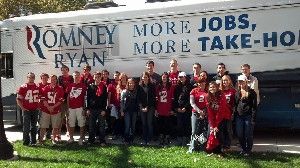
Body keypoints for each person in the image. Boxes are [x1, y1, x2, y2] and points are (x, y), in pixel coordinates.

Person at [235, 75, 257, 156]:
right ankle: (244, 149)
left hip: (248, 116)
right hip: (239, 117)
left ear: (246, 82)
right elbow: (235, 105)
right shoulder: (237, 92)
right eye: (239, 81)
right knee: (240, 134)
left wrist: (253, 118)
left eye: (242, 81)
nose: (240, 83)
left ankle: (248, 150)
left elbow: (254, 106)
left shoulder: (252, 92)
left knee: (248, 134)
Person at [39, 75, 64, 144]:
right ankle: (41, 140)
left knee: (55, 127)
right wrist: (48, 107)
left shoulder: (60, 88)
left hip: (56, 110)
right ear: (50, 80)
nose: (53, 81)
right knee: (43, 126)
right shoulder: (46, 88)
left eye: (54, 79)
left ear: (56, 80)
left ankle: (53, 139)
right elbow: (43, 99)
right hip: (46, 110)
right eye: (52, 79)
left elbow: (61, 100)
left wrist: (53, 107)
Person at [16, 72, 40, 146]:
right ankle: (26, 142)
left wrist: (39, 106)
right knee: (26, 127)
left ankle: (33, 142)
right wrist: (22, 108)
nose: (31, 78)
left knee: (34, 127)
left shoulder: (37, 86)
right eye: (29, 77)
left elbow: (41, 97)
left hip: (35, 110)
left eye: (32, 77)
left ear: (34, 78)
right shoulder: (23, 87)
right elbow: (18, 99)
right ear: (27, 78)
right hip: (26, 110)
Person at [206, 81, 227, 156]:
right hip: (212, 119)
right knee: (210, 133)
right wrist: (212, 125)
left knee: (219, 134)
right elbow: (210, 112)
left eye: (214, 87)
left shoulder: (222, 95)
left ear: (217, 87)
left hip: (220, 118)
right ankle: (212, 151)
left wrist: (216, 125)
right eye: (211, 87)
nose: (212, 88)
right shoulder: (207, 96)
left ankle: (220, 152)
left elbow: (221, 111)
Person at [86, 72, 108, 146]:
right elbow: (88, 99)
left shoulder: (104, 87)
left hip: (101, 110)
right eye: (96, 77)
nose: (97, 78)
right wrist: (88, 109)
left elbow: (105, 99)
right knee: (91, 126)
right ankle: (91, 140)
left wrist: (104, 110)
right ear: (94, 78)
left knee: (102, 126)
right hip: (92, 109)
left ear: (100, 77)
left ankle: (102, 141)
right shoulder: (90, 87)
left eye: (99, 77)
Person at [187, 79, 208, 153]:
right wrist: (199, 111)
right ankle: (192, 148)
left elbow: (208, 104)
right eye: (200, 83)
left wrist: (204, 112)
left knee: (203, 131)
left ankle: (201, 147)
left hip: (204, 113)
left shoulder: (207, 92)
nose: (201, 84)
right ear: (197, 84)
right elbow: (192, 103)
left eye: (203, 83)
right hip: (195, 113)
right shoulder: (193, 91)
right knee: (194, 131)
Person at [67, 71, 87, 145]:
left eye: (78, 76)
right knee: (71, 123)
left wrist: (84, 108)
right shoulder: (70, 85)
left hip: (80, 108)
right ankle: (71, 138)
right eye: (75, 76)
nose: (76, 77)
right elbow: (68, 97)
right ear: (73, 77)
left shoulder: (83, 86)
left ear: (80, 77)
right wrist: (68, 108)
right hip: (71, 108)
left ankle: (81, 138)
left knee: (82, 123)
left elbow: (85, 98)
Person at [173, 71, 193, 146]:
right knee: (179, 124)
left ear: (185, 77)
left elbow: (190, 99)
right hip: (178, 109)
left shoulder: (190, 86)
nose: (181, 78)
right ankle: (179, 139)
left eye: (182, 77)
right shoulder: (177, 87)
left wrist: (185, 107)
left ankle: (185, 139)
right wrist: (176, 108)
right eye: (179, 77)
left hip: (186, 109)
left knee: (186, 124)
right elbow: (175, 98)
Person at [155, 72, 175, 146]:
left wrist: (172, 109)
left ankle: (167, 137)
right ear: (161, 78)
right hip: (160, 108)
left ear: (167, 78)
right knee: (160, 124)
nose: (164, 78)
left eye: (165, 77)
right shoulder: (158, 87)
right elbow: (156, 99)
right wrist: (156, 109)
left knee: (167, 124)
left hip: (168, 108)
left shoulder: (171, 86)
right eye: (163, 77)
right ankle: (161, 137)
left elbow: (173, 99)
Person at [120, 78, 141, 144]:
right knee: (127, 125)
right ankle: (126, 139)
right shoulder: (124, 92)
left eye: (132, 83)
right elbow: (122, 102)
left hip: (134, 111)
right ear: (127, 84)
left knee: (133, 126)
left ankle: (132, 139)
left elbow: (138, 102)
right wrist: (122, 111)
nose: (131, 84)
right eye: (130, 83)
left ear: (134, 84)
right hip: (127, 111)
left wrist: (139, 110)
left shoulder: (136, 91)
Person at [139, 72, 156, 145]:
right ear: (142, 78)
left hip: (150, 107)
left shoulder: (152, 86)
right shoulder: (139, 86)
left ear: (148, 78)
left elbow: (153, 98)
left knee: (149, 123)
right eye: (143, 77)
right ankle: (144, 137)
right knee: (144, 123)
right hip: (142, 108)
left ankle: (150, 137)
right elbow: (138, 98)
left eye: (146, 77)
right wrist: (141, 107)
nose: (145, 78)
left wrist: (147, 107)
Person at [220, 75, 236, 151]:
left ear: (229, 81)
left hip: (228, 114)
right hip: (220, 114)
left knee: (228, 130)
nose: (224, 82)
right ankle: (221, 145)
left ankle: (227, 145)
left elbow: (235, 103)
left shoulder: (233, 91)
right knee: (221, 130)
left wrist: (233, 112)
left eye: (226, 80)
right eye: (223, 80)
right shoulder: (219, 91)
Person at [58, 65, 74, 140]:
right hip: (61, 100)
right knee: (60, 117)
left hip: (70, 100)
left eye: (65, 70)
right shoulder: (60, 78)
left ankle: (68, 132)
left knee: (69, 117)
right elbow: (58, 88)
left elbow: (73, 88)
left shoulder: (71, 78)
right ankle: (58, 133)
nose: (64, 71)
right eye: (62, 70)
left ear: (68, 70)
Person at [107, 71, 121, 139]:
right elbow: (109, 95)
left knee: (119, 119)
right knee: (113, 119)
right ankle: (113, 132)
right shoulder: (111, 84)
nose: (116, 77)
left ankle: (117, 132)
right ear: (113, 76)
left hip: (120, 105)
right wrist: (109, 103)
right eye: (115, 75)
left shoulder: (121, 84)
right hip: (113, 105)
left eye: (118, 75)